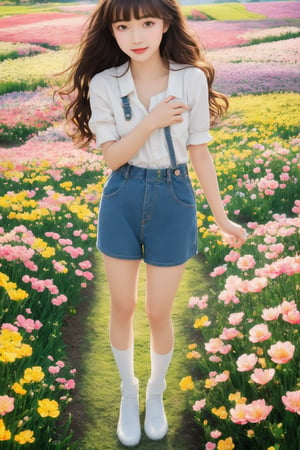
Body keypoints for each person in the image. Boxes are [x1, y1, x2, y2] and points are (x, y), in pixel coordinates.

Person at [60, 0, 247, 446]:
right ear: (113, 32)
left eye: (146, 22)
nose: (136, 36)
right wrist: (152, 121)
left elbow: (199, 149)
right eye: (123, 26)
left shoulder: (191, 80)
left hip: (174, 196)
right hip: (122, 195)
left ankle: (156, 391)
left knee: (158, 311)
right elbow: (111, 156)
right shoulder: (106, 83)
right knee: (122, 306)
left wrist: (221, 217)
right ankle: (129, 391)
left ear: (165, 24)